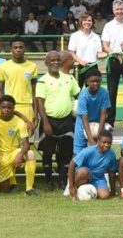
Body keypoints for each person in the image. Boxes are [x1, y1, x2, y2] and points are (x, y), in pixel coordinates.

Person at [36, 51, 80, 192]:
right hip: (49, 121)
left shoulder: (69, 79)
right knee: (48, 153)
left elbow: (78, 95)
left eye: (57, 60)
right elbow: (40, 103)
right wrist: (46, 122)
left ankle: (63, 180)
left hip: (66, 121)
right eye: (52, 60)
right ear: (46, 63)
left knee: (65, 153)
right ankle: (48, 181)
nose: (55, 62)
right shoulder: (42, 80)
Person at [0, 38, 39, 122]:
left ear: (25, 49)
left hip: (27, 107)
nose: (18, 50)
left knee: (28, 134)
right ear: (11, 49)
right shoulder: (3, 66)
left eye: (21, 47)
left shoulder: (32, 66)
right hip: (9, 107)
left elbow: (34, 92)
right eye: (15, 48)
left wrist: (36, 112)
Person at [68, 130, 118, 200]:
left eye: (109, 143)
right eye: (104, 142)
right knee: (83, 172)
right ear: (98, 141)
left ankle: (92, 190)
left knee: (105, 196)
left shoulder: (112, 154)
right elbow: (72, 164)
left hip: (98, 178)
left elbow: (112, 172)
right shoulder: (88, 151)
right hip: (85, 175)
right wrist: (71, 187)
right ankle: (75, 189)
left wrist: (113, 191)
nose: (106, 145)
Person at [73, 71, 110, 159]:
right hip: (82, 123)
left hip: (98, 122)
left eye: (98, 81)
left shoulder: (104, 93)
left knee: (100, 151)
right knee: (78, 153)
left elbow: (103, 115)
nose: (95, 83)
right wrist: (90, 139)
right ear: (87, 82)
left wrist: (99, 135)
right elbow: (84, 118)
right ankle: (76, 171)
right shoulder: (83, 95)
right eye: (92, 81)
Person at [68, 13, 103, 87]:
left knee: (93, 91)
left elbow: (98, 54)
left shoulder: (96, 37)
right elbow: (71, 52)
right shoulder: (75, 36)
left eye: (89, 20)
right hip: (79, 67)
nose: (87, 22)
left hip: (93, 67)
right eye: (85, 20)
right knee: (77, 92)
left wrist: (110, 54)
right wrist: (81, 61)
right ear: (81, 21)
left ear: (92, 22)